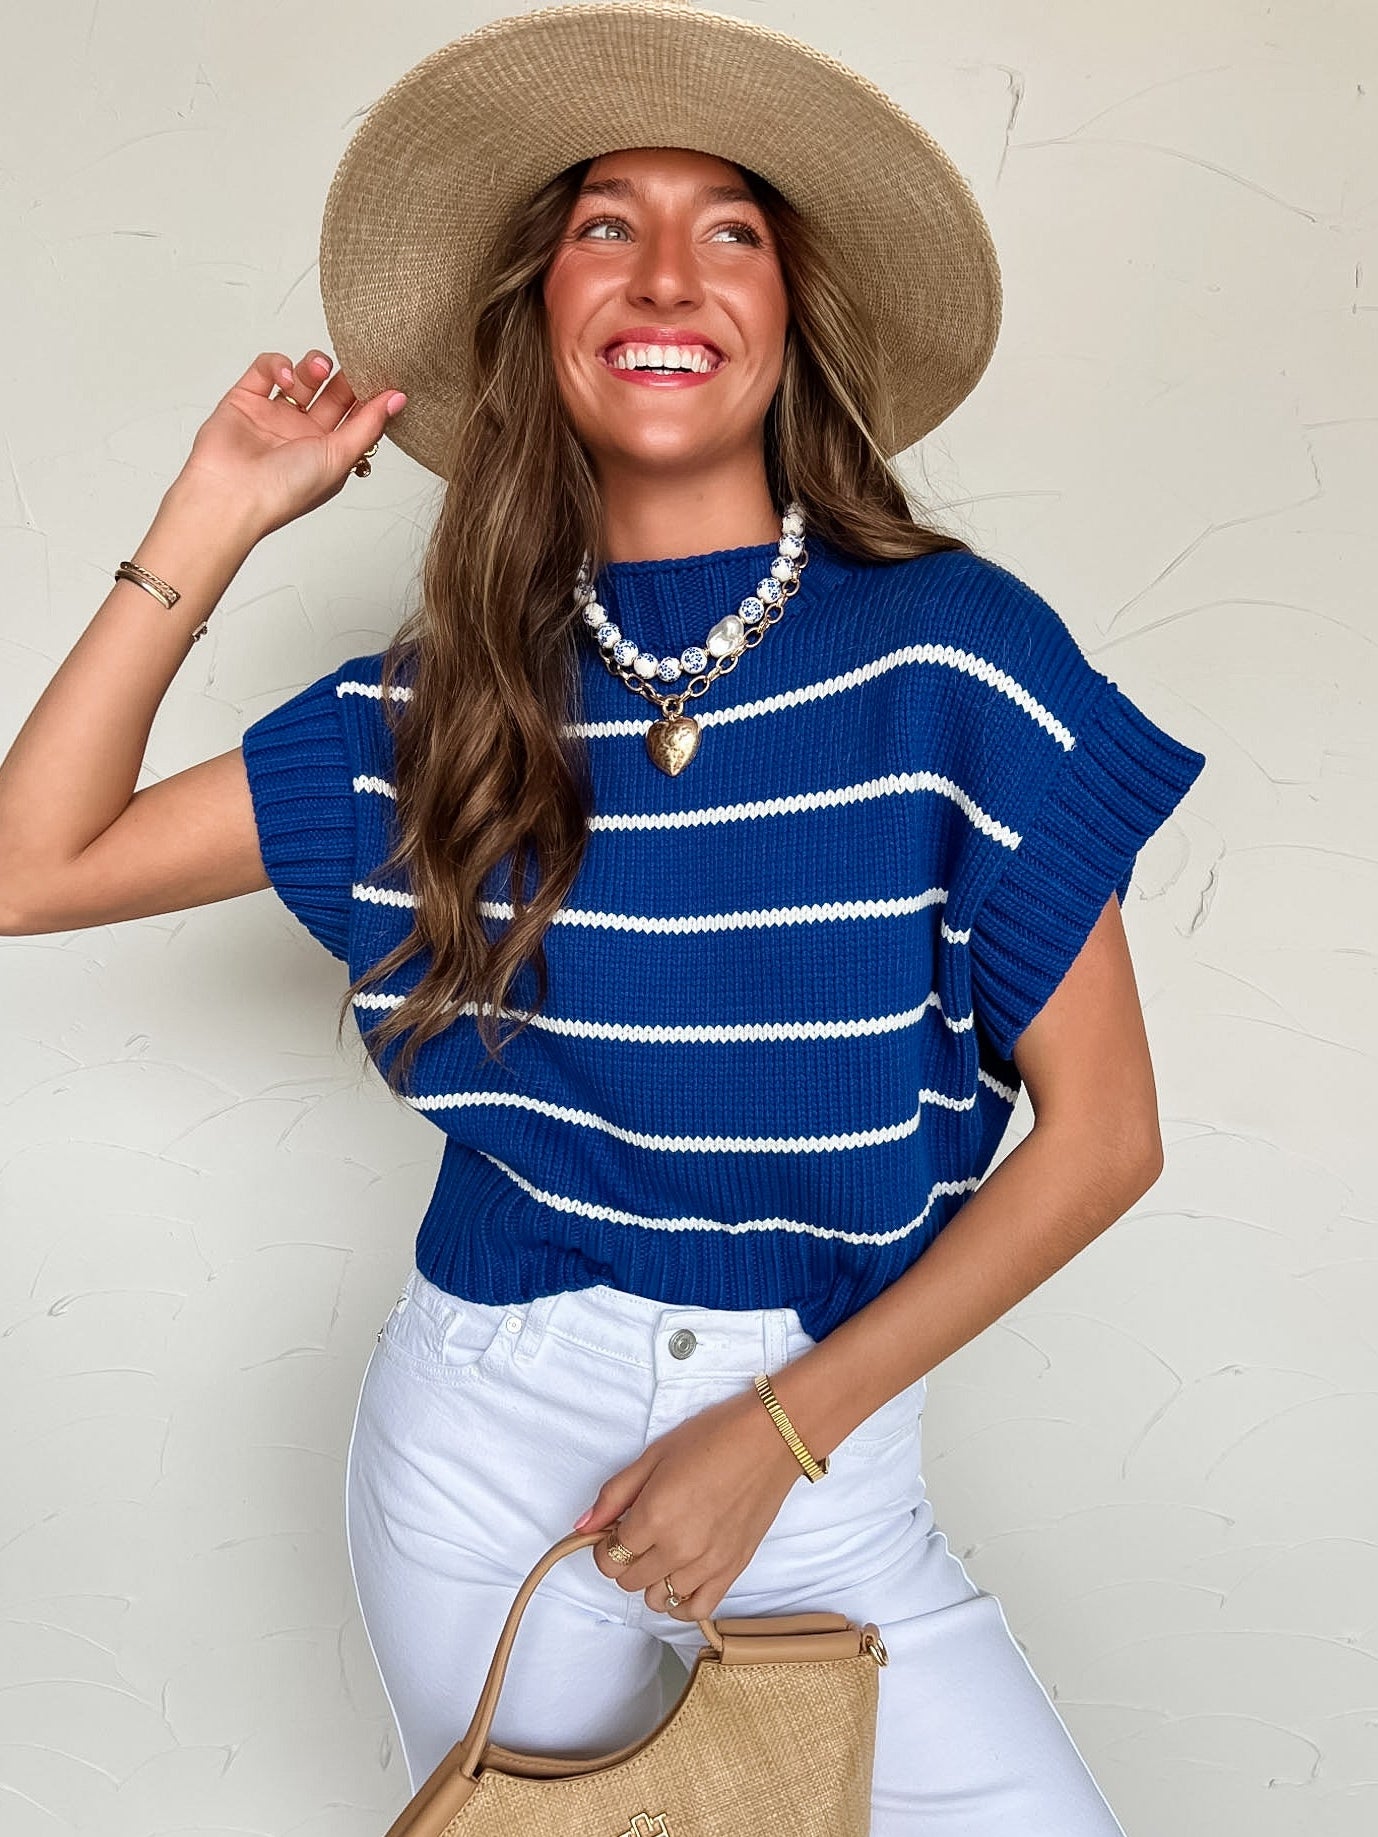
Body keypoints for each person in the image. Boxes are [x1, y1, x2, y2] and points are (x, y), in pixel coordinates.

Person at [0, 5, 1208, 1831]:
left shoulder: (955, 659)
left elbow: (1103, 1138)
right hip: (485, 1442)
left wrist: (778, 1437)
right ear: (540, 318)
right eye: (603, 226)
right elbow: (34, 866)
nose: (665, 271)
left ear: (788, 317)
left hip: (818, 1424)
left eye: (729, 228)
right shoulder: (440, 704)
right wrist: (219, 506)